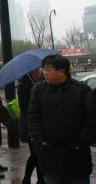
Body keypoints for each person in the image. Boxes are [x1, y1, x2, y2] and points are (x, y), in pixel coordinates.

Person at [28, 55, 94, 184]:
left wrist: (81, 142)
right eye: (43, 69)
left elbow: (91, 119)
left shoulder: (81, 90)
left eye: (48, 70)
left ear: (61, 71)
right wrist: (41, 140)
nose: (44, 73)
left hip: (77, 157)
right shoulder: (39, 89)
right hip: (50, 155)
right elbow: (33, 116)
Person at [18, 69, 45, 184]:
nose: (39, 71)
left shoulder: (42, 82)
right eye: (36, 70)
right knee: (36, 153)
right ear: (29, 71)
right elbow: (23, 106)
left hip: (41, 123)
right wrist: (36, 102)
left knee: (38, 153)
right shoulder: (23, 85)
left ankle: (30, 178)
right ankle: (37, 179)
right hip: (30, 124)